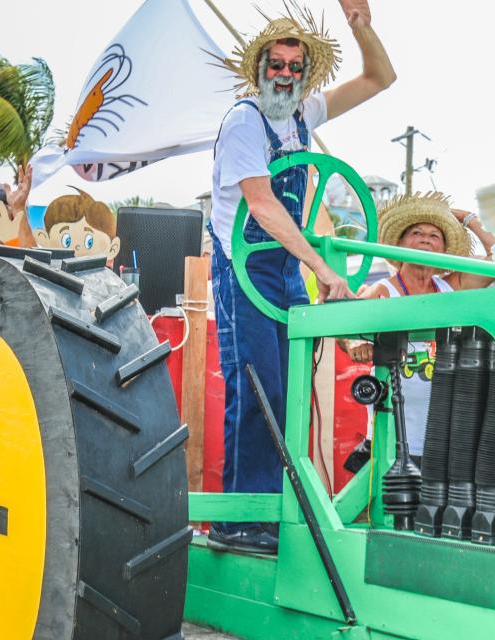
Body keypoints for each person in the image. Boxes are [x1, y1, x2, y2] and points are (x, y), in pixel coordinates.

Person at [207, 0, 395, 554]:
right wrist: (323, 269)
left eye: (294, 66)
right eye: (276, 65)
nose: (285, 74)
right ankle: (239, 523)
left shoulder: (302, 117)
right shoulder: (244, 121)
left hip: (284, 270)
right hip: (242, 271)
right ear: (259, 69)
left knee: (289, 394)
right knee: (256, 389)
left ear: (305, 73)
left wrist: (362, 27)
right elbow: (263, 206)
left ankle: (277, 515)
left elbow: (380, 78)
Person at [339, 193, 495, 463]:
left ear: (444, 250)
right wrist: (356, 344)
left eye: (435, 235)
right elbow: (345, 326)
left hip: (443, 435)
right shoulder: (383, 290)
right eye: (416, 232)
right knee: (380, 502)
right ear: (399, 244)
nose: (425, 239)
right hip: (391, 433)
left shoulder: (453, 287)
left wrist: (469, 220)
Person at [33, 187, 121, 264]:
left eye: (89, 242)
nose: (77, 247)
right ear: (43, 238)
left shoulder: (109, 279)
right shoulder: (45, 274)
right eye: (66, 241)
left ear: (112, 248)